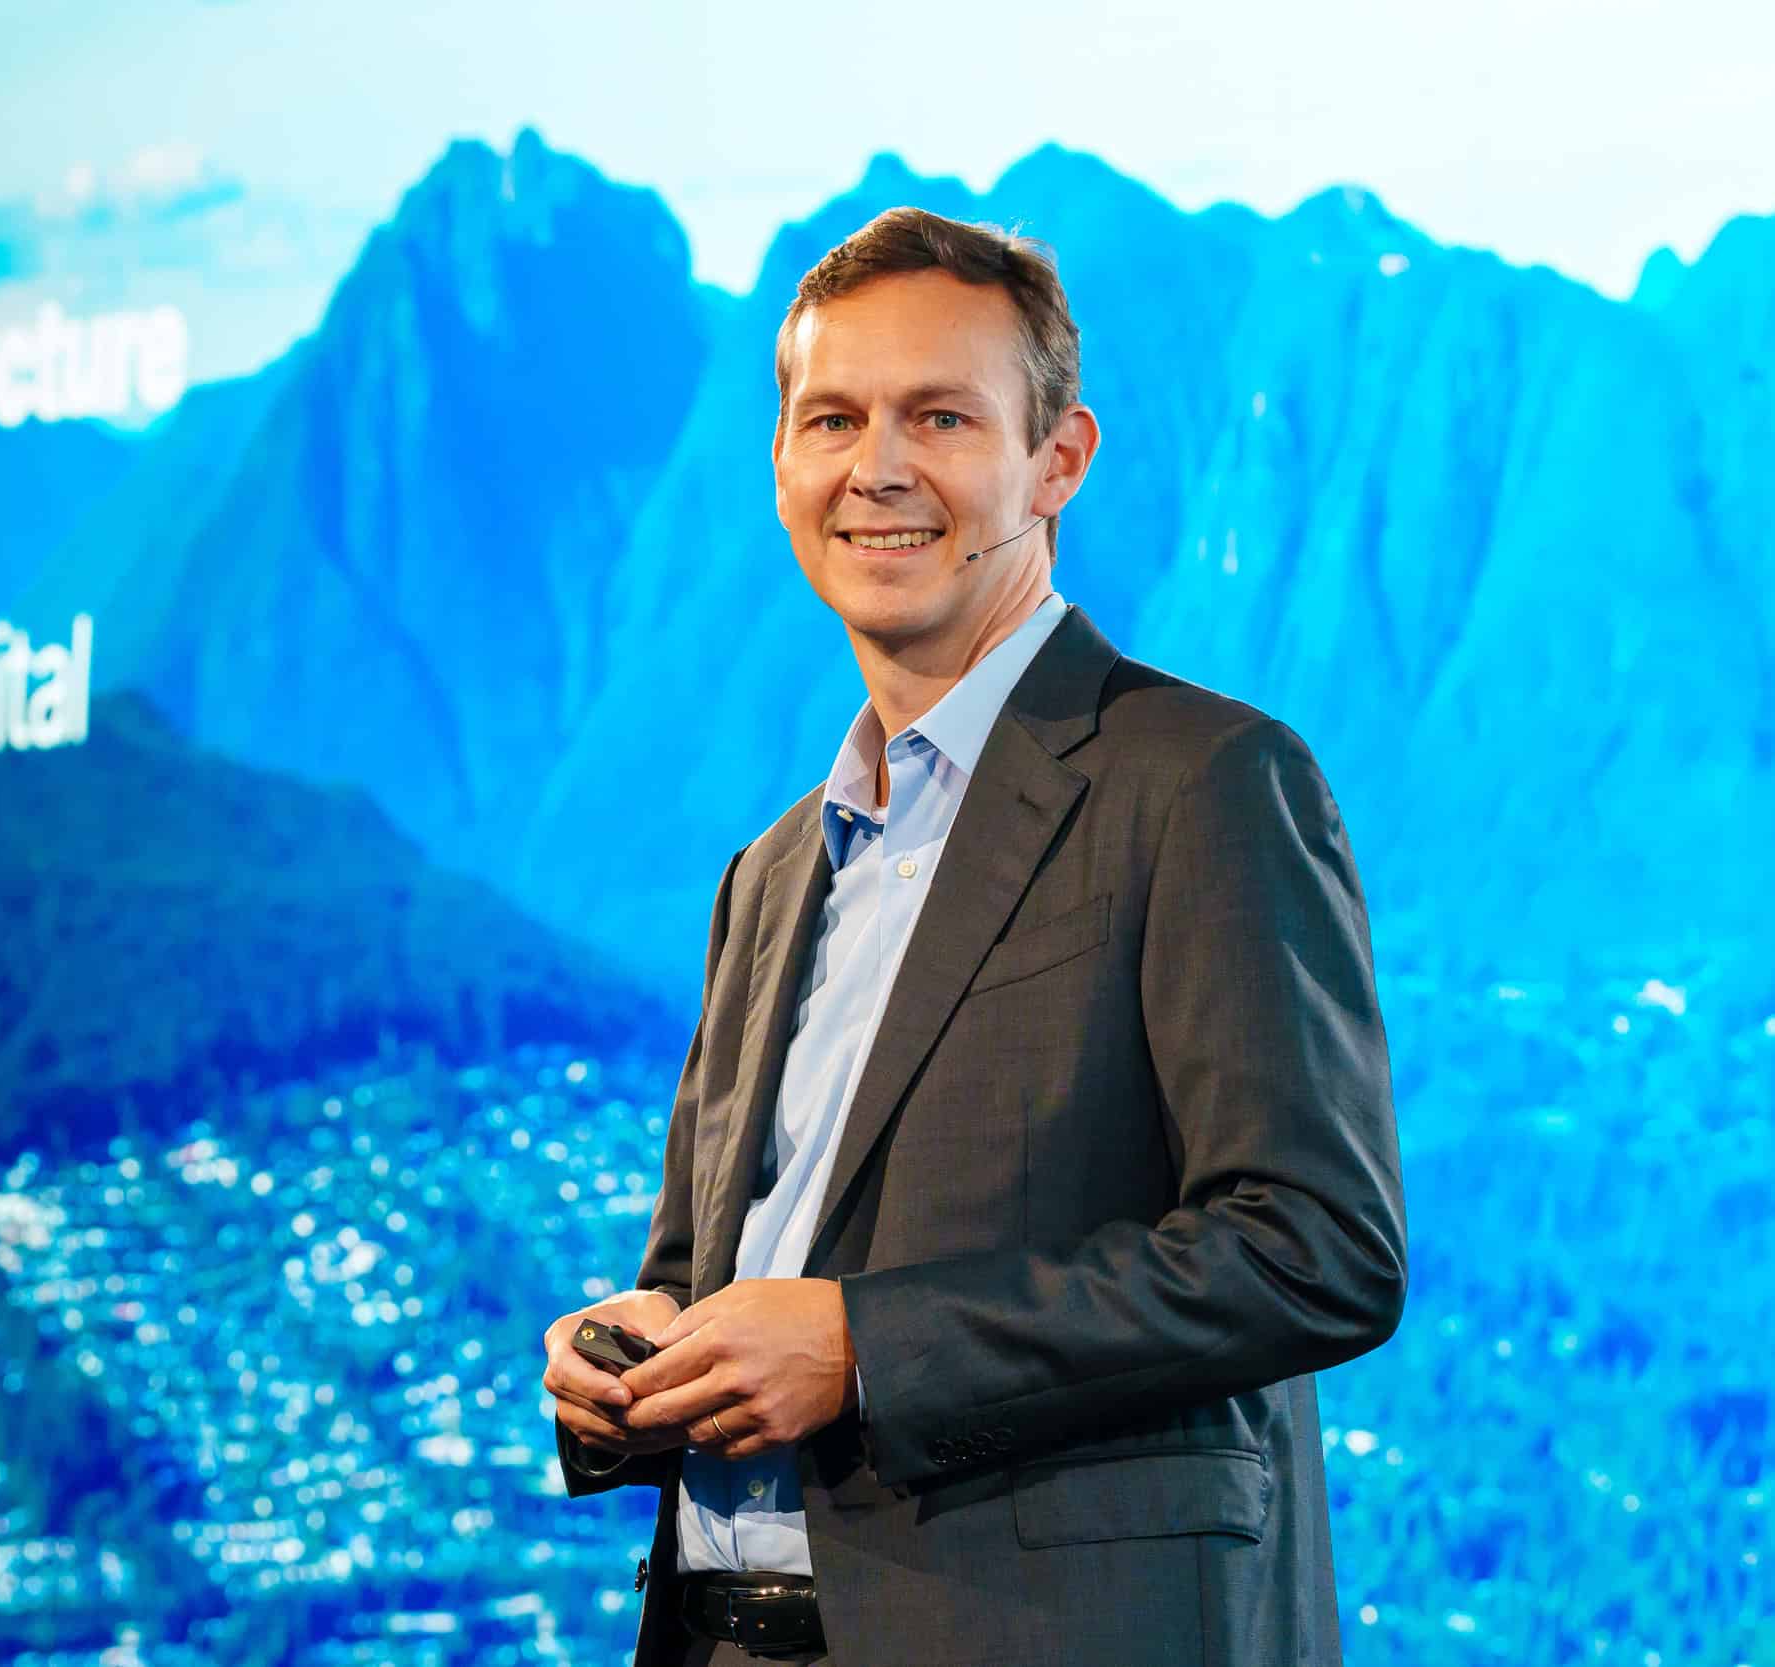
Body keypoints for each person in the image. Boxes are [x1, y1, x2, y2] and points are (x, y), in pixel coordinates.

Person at [539, 208, 1407, 1667]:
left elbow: (1317, 1248)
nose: (877, 469)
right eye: (833, 420)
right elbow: (705, 1274)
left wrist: (867, 1350)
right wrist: (632, 1362)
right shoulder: (767, 875)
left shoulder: (1201, 784)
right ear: (781, 467)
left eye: (939, 417)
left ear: (1057, 459)